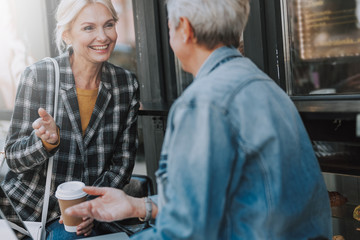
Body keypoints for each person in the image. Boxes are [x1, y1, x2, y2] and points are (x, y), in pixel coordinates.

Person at [67, 0, 332, 239]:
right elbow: (215, 198)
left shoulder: (203, 103)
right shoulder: (263, 85)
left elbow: (186, 230)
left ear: (185, 28)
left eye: (169, 25)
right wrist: (139, 206)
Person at [2, 0, 139, 239]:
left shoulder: (126, 85)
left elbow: (123, 164)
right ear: (67, 35)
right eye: (88, 28)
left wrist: (90, 207)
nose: (102, 36)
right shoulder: (39, 76)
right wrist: (45, 143)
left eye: (108, 25)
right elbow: (13, 158)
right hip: (30, 212)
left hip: (89, 213)